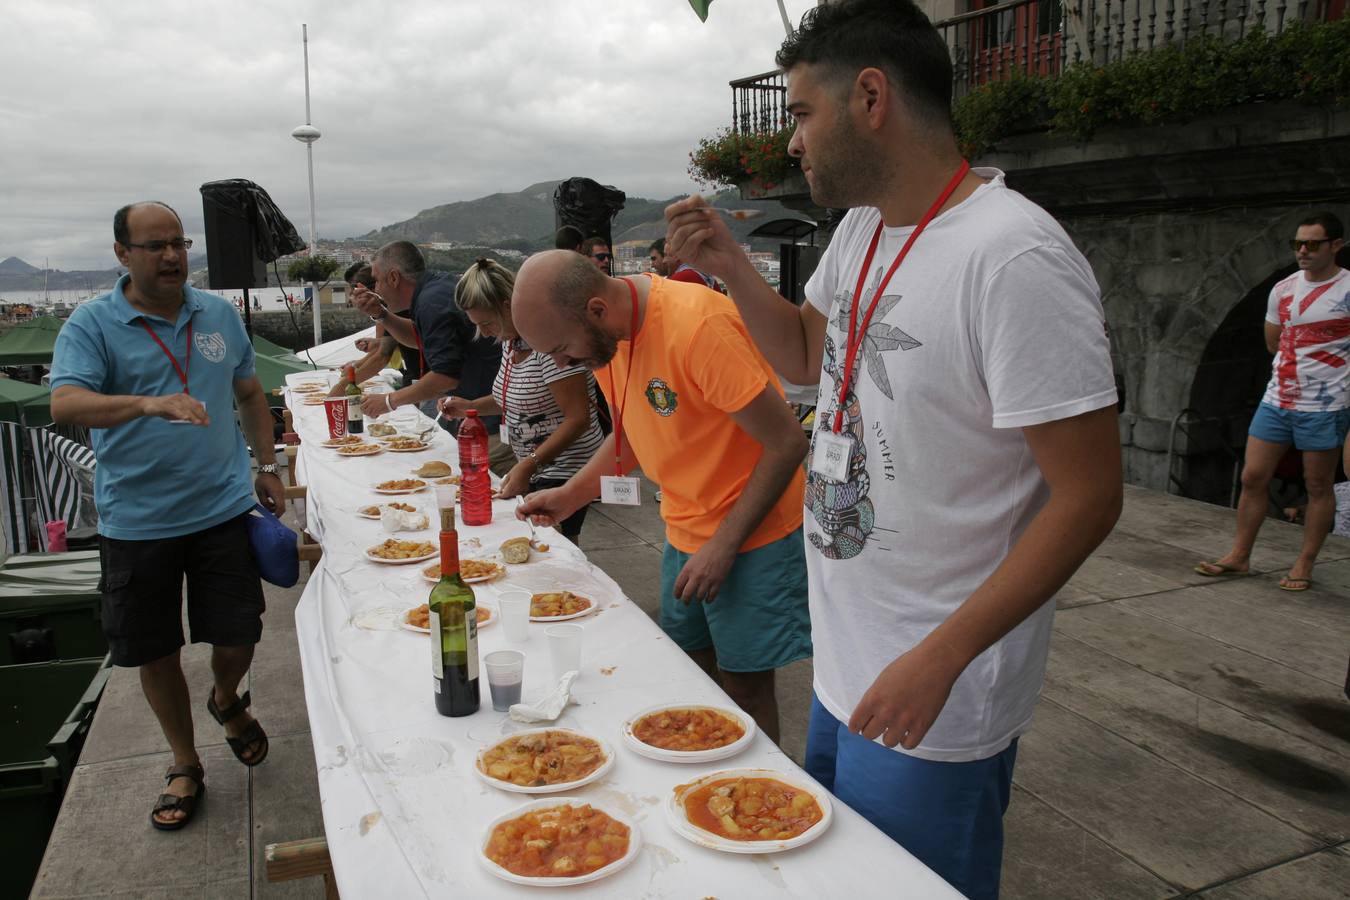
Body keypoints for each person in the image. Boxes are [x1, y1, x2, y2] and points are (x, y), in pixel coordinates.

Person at [664, 2, 1122, 896]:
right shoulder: (865, 228)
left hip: (936, 683)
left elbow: (1090, 497)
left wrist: (942, 658)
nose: (791, 142)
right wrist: (730, 266)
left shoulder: (1014, 256)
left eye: (800, 113)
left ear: (871, 96)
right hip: (849, 662)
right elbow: (804, 354)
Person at [49, 201, 286, 831]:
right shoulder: (93, 323)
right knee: (155, 651)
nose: (173, 255)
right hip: (137, 521)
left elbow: (250, 390)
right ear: (123, 254)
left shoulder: (217, 314)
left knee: (239, 633)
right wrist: (147, 405)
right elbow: (66, 404)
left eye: (179, 242)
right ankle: (185, 763)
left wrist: (268, 464)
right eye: (155, 246)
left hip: (221, 508)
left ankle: (225, 698)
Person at [512, 250, 812, 742]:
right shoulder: (607, 341)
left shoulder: (698, 327)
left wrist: (723, 546)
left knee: (743, 686)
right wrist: (571, 495)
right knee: (685, 669)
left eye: (563, 349)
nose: (562, 363)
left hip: (751, 536)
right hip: (683, 529)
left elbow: (787, 443)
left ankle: (764, 802)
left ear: (596, 310)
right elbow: (629, 432)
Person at [1196, 211, 1349, 590]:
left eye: (1313, 244)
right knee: (1252, 476)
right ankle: (1240, 555)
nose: (1303, 251)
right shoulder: (1283, 289)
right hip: (1278, 398)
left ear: (1336, 246)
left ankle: (1304, 563)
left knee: (1317, 485)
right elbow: (1272, 342)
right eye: (1297, 243)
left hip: (1325, 404)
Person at [437, 258, 606, 540]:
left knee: (554, 544)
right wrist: (471, 406)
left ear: (507, 305)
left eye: (487, 323)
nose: (485, 332)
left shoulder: (547, 343)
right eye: (478, 325)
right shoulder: (512, 340)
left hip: (568, 469)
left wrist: (529, 463)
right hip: (536, 465)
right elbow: (515, 397)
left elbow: (578, 419)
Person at [349, 242, 512, 469]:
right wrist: (381, 314)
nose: (375, 289)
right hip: (480, 410)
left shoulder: (432, 303)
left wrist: (388, 401)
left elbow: (445, 377)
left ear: (394, 278)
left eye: (376, 280)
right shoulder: (434, 289)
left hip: (494, 425)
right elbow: (419, 340)